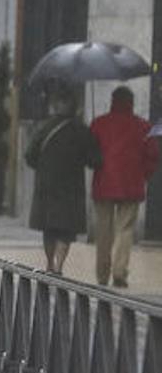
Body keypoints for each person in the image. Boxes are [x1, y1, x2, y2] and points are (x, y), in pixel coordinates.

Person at [27, 90, 102, 275]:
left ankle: (49, 264)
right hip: (71, 186)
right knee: (65, 229)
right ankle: (59, 266)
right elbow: (94, 160)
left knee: (49, 227)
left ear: (55, 105)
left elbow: (29, 156)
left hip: (46, 184)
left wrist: (43, 166)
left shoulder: (44, 127)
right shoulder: (81, 130)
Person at [90, 86, 158, 288]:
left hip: (103, 183)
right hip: (131, 184)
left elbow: (90, 153)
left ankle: (102, 274)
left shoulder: (98, 123)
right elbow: (153, 155)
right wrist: (143, 175)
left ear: (112, 101)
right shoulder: (143, 126)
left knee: (103, 230)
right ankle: (119, 272)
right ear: (132, 102)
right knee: (125, 229)